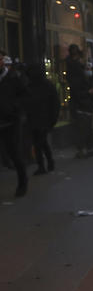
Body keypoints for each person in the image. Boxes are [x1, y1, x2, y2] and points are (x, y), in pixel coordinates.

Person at [23, 63, 59, 175]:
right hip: (39, 119)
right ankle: (48, 162)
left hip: (41, 119)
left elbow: (54, 104)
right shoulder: (42, 85)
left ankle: (42, 165)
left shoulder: (34, 85)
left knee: (39, 144)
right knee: (41, 143)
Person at [65, 44, 93, 158]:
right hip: (82, 104)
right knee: (83, 128)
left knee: (86, 127)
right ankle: (84, 148)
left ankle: (87, 148)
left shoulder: (81, 73)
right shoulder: (77, 73)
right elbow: (77, 90)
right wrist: (88, 92)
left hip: (84, 103)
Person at [0, 55, 28, 196]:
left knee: (14, 153)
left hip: (11, 121)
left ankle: (22, 183)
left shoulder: (13, 78)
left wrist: (14, 108)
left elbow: (24, 96)